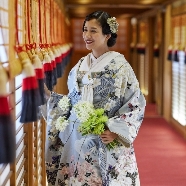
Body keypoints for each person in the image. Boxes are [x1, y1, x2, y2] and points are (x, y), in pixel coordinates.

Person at [42, 10, 146, 186]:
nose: (86, 35)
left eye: (93, 31)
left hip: (106, 136)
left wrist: (116, 131)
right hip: (77, 138)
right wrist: (47, 96)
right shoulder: (80, 66)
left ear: (107, 35)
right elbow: (72, 102)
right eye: (85, 30)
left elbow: (135, 103)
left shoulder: (120, 66)